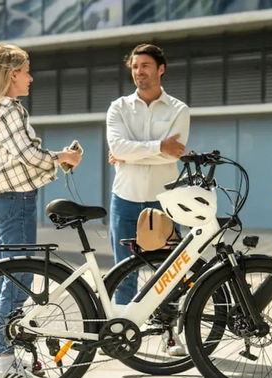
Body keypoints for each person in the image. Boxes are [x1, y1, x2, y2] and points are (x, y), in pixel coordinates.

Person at [0, 43, 82, 378]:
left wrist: (56, 157)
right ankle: (3, 360)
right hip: (15, 201)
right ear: (12, 74)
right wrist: (63, 158)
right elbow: (28, 155)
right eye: (26, 72)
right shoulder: (9, 110)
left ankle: (6, 354)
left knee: (10, 277)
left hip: (4, 201)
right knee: (18, 278)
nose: (31, 78)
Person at [106, 43, 190, 355]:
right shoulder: (118, 108)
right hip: (125, 198)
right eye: (135, 67)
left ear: (160, 69)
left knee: (168, 272)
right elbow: (118, 147)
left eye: (145, 66)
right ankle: (124, 333)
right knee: (123, 271)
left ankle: (170, 335)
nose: (139, 72)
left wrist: (131, 153)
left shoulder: (179, 109)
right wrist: (157, 147)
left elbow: (174, 153)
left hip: (164, 201)